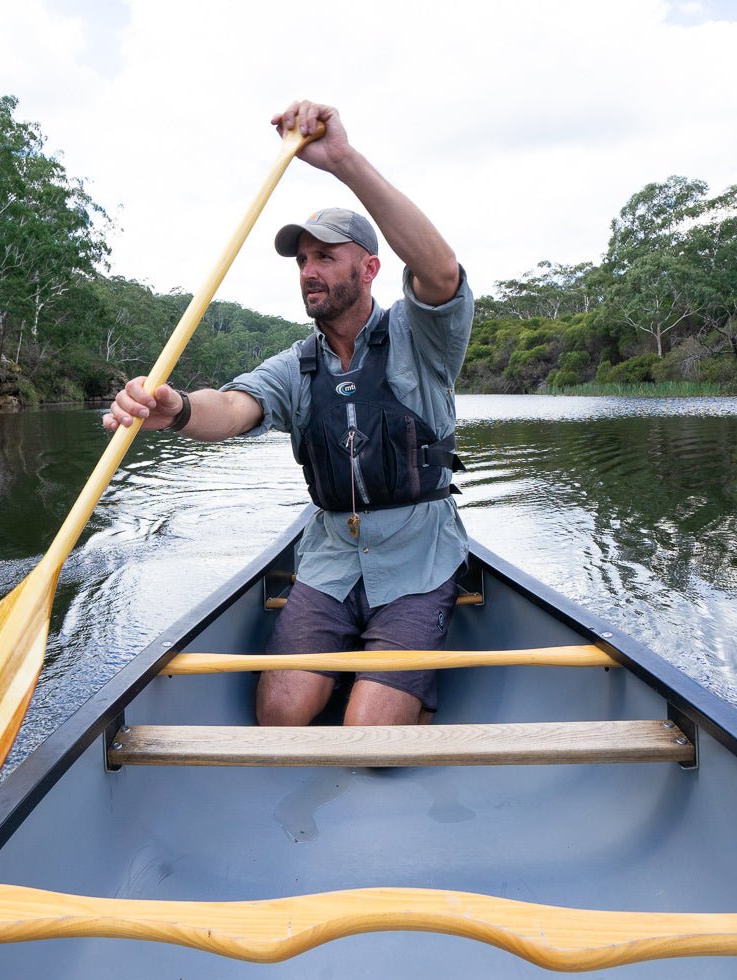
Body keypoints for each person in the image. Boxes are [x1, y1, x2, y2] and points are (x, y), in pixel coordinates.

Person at [103, 100, 473, 727]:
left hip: (419, 558)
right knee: (278, 719)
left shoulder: (423, 337)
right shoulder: (296, 366)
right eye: (302, 260)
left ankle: (394, 689)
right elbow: (232, 409)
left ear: (370, 267)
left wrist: (343, 162)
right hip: (329, 558)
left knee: (367, 734)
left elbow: (439, 270)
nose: (309, 271)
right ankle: (356, 663)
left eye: (326, 256)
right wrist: (177, 407)